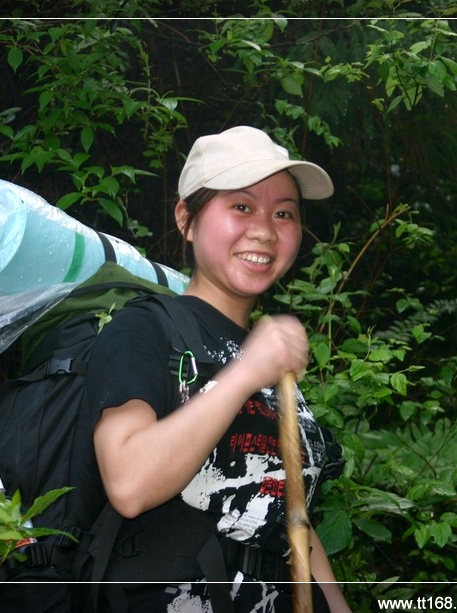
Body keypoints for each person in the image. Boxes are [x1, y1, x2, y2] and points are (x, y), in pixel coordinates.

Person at [87, 126, 351, 612]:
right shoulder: (144, 330)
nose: (266, 230)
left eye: (284, 213)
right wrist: (248, 372)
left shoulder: (268, 354)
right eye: (242, 206)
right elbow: (128, 483)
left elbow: (289, 513)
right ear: (186, 218)